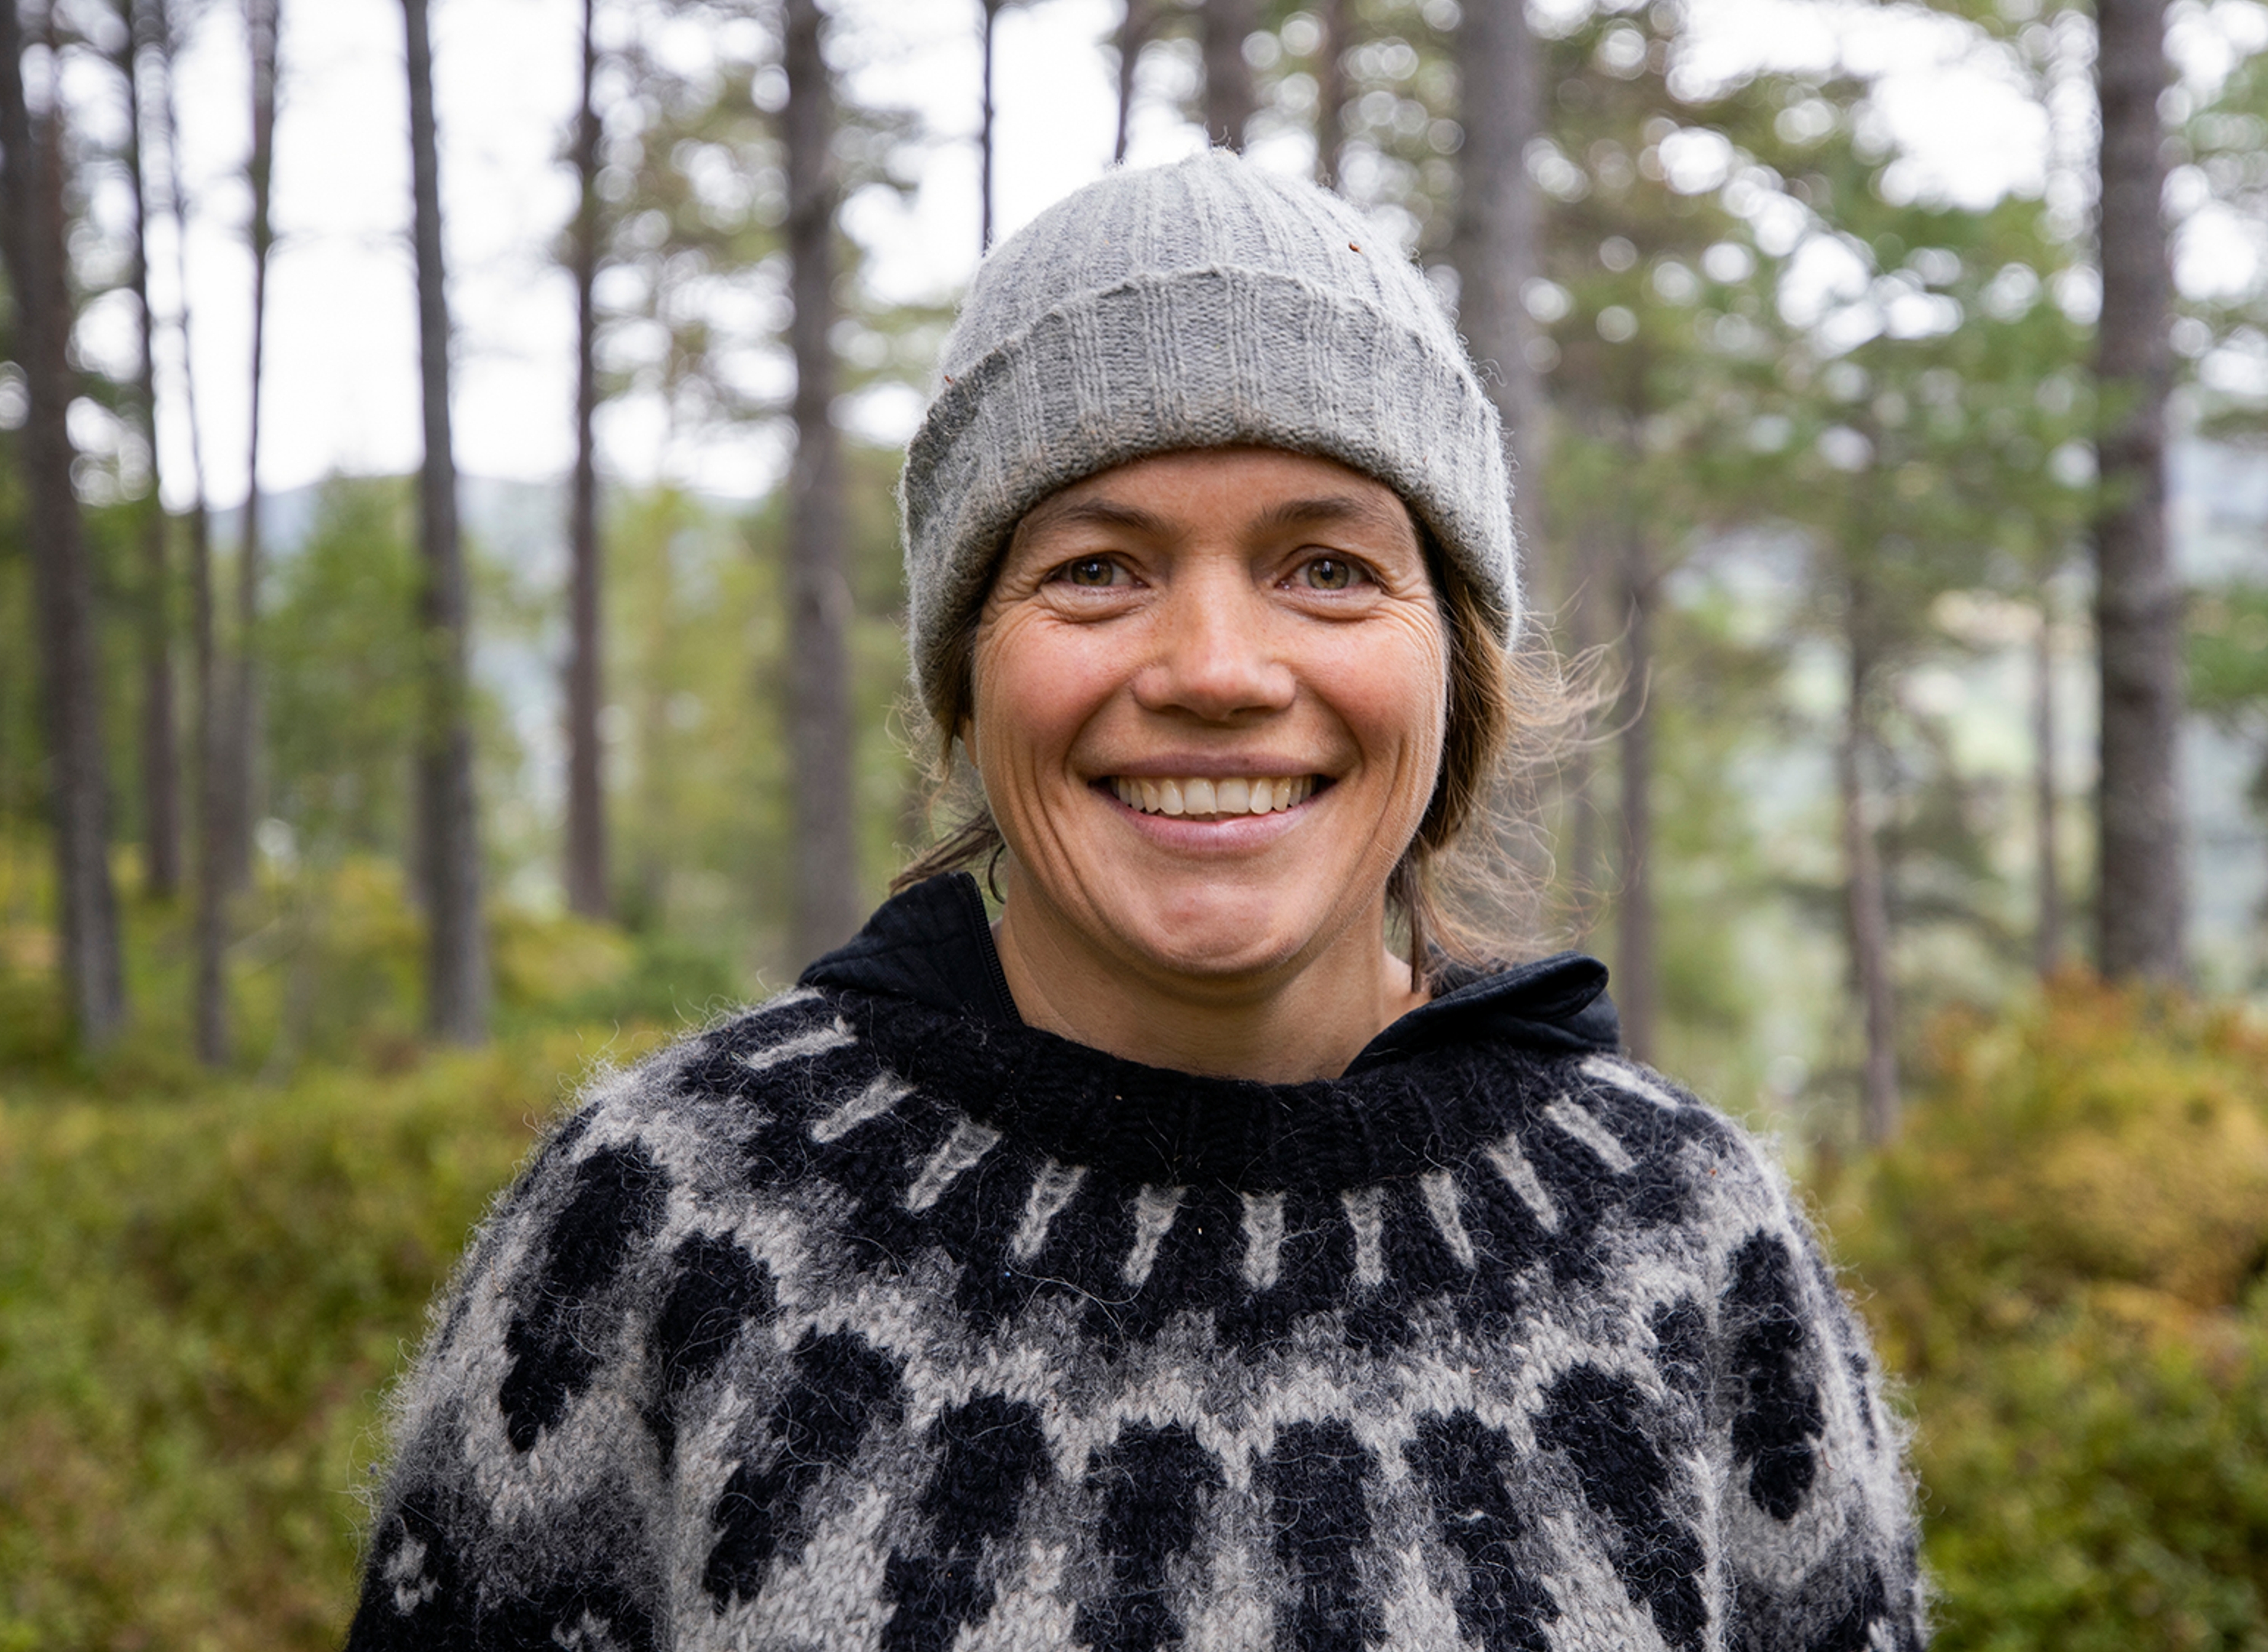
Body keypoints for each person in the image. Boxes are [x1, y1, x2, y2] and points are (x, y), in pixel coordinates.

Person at [345, 151, 1924, 1651]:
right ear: (967, 673)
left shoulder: (1688, 1254)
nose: (1218, 673)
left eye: (1328, 567)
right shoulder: (669, 1225)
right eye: (1100, 568)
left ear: (1456, 666)